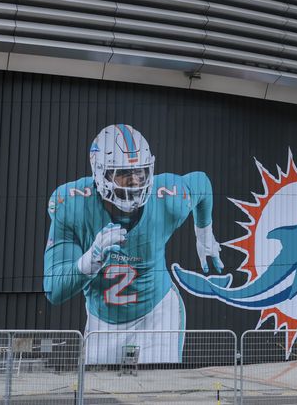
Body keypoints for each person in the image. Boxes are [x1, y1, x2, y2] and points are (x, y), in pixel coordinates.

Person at [44, 124, 225, 364]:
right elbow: (54, 290)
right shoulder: (72, 204)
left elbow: (202, 184)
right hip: (103, 321)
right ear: (100, 173)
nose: (135, 181)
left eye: (140, 171)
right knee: (101, 396)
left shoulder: (168, 198)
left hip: (156, 312)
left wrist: (204, 234)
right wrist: (90, 261)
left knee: (157, 394)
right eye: (123, 172)